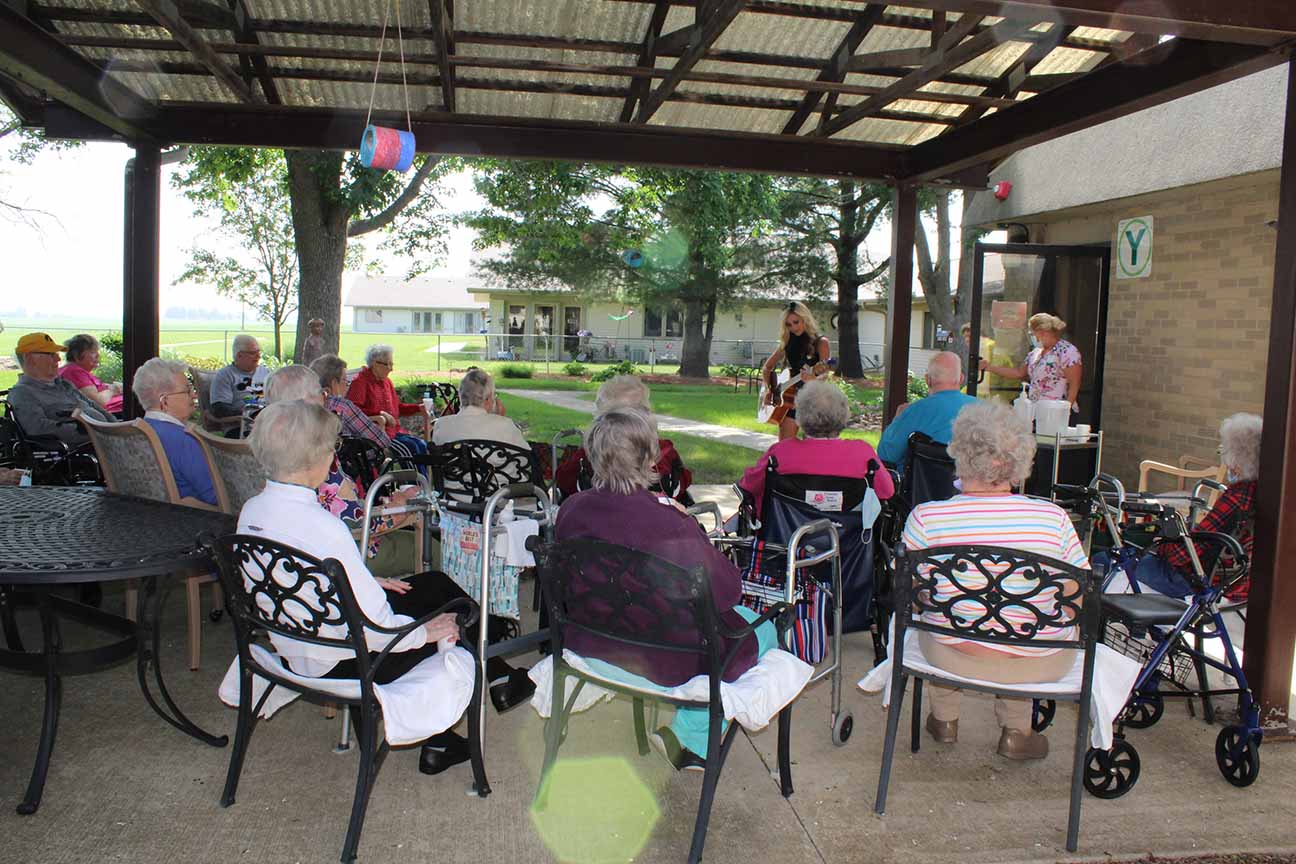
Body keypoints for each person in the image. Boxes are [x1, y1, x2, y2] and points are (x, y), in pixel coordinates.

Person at [262, 365, 535, 712]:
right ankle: (490, 654)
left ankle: (456, 722)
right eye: (328, 449)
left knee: (435, 585)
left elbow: (311, 568)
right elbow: (380, 628)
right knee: (451, 610)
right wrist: (427, 633)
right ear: (310, 451)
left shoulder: (255, 513)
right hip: (351, 657)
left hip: (301, 641)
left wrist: (369, 579)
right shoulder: (324, 525)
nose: (333, 454)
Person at [556, 408, 779, 772]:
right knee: (765, 628)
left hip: (593, 640)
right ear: (650, 459)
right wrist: (689, 525)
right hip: (664, 656)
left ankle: (689, 735)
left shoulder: (571, 510)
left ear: (592, 456)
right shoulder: (667, 522)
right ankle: (691, 738)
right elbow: (727, 593)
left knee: (713, 622)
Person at [901, 401, 1089, 760]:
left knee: (938, 613)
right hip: (1039, 662)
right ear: (1020, 460)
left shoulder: (927, 518)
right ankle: (1017, 731)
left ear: (959, 454)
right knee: (1026, 623)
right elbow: (1075, 597)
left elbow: (912, 598)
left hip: (951, 658)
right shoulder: (1054, 519)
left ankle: (944, 719)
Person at [1099, 413, 1261, 600]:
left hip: (1190, 579)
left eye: (1223, 451)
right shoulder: (1258, 492)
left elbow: (1181, 554)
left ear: (1237, 461)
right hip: (1224, 576)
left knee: (1103, 559)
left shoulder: (1236, 497)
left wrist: (1162, 543)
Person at [739, 380, 893, 518]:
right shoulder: (862, 453)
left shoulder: (781, 453)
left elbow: (748, 485)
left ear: (800, 416)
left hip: (786, 538)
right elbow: (886, 491)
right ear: (843, 415)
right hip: (848, 541)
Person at [553, 375, 693, 501]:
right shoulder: (663, 451)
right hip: (659, 521)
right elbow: (682, 480)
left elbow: (563, 479)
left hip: (600, 519)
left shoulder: (592, 452)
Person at [133, 357, 218, 506]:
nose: (194, 395)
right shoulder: (185, 439)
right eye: (187, 390)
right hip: (196, 519)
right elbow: (217, 496)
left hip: (148, 516)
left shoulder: (136, 434)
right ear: (164, 401)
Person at [9, 332, 115, 446]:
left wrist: (116, 426)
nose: (58, 359)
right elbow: (38, 428)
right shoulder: (22, 393)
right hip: (83, 450)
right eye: (51, 354)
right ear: (29, 359)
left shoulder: (64, 385)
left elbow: (93, 405)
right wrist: (93, 432)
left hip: (106, 439)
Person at [310, 353, 415, 462]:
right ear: (334, 383)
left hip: (312, 463)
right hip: (343, 464)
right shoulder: (341, 406)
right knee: (406, 452)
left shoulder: (305, 404)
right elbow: (381, 440)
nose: (347, 385)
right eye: (345, 380)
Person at [877, 352, 976, 466]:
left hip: (925, 483)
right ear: (961, 379)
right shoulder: (985, 410)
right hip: (974, 481)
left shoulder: (915, 411)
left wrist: (897, 419)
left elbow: (886, 455)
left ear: (927, 380)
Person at [760, 301, 832, 441]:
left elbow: (825, 374)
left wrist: (813, 379)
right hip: (790, 402)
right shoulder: (787, 343)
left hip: (815, 401)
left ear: (805, 318)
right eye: (788, 324)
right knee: (784, 449)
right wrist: (770, 389)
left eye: (796, 322)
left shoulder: (821, 342)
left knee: (814, 451)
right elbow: (767, 368)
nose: (793, 327)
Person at [979, 313, 1082, 410]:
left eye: (1032, 334)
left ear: (1042, 333)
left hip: (1056, 410)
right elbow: (1019, 372)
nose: (1031, 337)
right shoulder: (1035, 353)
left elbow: (1074, 383)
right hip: (1035, 408)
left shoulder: (1067, 352)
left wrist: (1066, 409)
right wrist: (989, 368)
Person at [346, 344, 430, 458]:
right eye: (388, 364)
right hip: (377, 436)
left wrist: (418, 408)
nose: (391, 368)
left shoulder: (387, 382)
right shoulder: (360, 382)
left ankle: (422, 476)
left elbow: (397, 408)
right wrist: (381, 413)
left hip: (394, 432)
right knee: (410, 450)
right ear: (375, 364)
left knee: (421, 445)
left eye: (392, 364)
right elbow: (353, 409)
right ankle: (412, 476)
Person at [431, 368, 528, 450]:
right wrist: (500, 419)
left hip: (454, 473)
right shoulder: (505, 425)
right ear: (488, 398)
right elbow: (528, 460)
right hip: (497, 472)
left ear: (461, 396)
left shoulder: (441, 425)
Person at [58, 334, 124, 416]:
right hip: (113, 417)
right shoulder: (74, 372)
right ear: (77, 355)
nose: (98, 355)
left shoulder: (71, 370)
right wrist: (112, 390)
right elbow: (97, 402)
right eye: (93, 352)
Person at [209, 334, 270, 420]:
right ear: (239, 355)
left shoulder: (266, 372)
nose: (258, 356)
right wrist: (251, 415)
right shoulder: (225, 375)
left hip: (268, 421)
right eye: (253, 353)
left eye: (259, 352)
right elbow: (220, 409)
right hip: (241, 425)